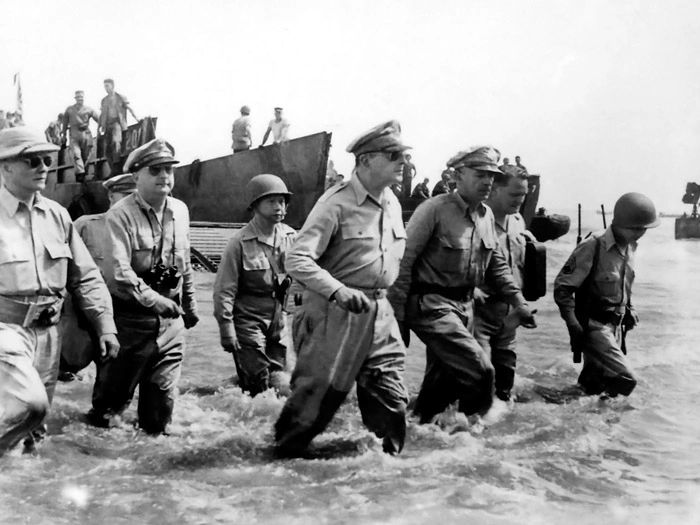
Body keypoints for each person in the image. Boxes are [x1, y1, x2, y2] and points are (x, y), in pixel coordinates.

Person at [274, 120, 410, 456]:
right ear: (365, 160)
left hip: (379, 313)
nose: (402, 163)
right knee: (314, 405)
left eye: (404, 156)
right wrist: (337, 290)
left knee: (391, 396)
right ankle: (275, 468)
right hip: (335, 313)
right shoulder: (335, 204)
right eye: (393, 155)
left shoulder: (392, 202)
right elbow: (297, 260)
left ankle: (388, 473)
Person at [388, 146, 536, 425]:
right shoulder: (433, 210)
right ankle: (471, 437)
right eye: (480, 174)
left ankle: (413, 437)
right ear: (458, 175)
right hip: (431, 305)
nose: (488, 181)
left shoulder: (486, 216)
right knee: (482, 371)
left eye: (491, 175)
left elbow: (496, 265)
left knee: (440, 388)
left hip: (464, 308)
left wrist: (519, 303)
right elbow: (403, 261)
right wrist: (398, 317)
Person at [0, 127, 119, 456]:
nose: (43, 167)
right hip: (6, 330)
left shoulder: (57, 215)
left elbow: (86, 277)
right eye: (31, 160)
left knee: (34, 430)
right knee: (30, 404)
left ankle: (21, 494)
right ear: (5, 166)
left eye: (46, 159)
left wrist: (104, 324)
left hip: (49, 333)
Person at [88, 138, 199, 434]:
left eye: (168, 170)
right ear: (136, 177)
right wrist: (154, 300)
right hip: (130, 322)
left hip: (170, 323)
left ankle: (154, 462)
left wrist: (189, 304)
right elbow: (120, 274)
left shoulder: (181, 211)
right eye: (155, 170)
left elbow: (184, 261)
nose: (164, 177)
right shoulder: (120, 215)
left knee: (160, 411)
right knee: (109, 412)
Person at [553, 192, 659, 397]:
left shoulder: (630, 247)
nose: (640, 234)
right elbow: (563, 288)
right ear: (621, 224)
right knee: (625, 379)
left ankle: (583, 423)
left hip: (615, 326)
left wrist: (629, 308)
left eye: (644, 229)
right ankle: (604, 420)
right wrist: (573, 324)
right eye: (636, 229)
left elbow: (624, 284)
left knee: (593, 386)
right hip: (593, 326)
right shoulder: (593, 245)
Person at [213, 174, 296, 396]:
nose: (278, 207)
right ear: (255, 205)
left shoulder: (291, 237)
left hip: (279, 319)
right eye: (271, 201)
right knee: (257, 383)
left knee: (280, 379)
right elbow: (224, 290)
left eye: (282, 201)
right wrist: (226, 328)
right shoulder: (239, 242)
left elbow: (304, 280)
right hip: (248, 321)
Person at [59, 174, 137, 381]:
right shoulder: (86, 225)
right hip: (83, 314)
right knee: (67, 367)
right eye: (127, 195)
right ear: (111, 196)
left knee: (113, 378)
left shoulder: (142, 231)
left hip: (123, 316)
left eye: (136, 196)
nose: (132, 202)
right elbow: (62, 268)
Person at [473, 165, 532, 406]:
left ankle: (500, 435)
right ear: (495, 190)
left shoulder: (517, 221)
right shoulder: (476, 222)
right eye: (514, 195)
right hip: (479, 314)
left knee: (505, 382)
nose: (520, 201)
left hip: (509, 316)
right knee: (479, 380)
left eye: (524, 195)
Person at [99, 78, 139, 170]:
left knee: (116, 142)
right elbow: (102, 114)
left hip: (117, 123)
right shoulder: (104, 100)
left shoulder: (120, 97)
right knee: (107, 150)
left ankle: (117, 166)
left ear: (112, 86)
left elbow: (129, 108)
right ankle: (112, 169)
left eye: (107, 86)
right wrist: (99, 127)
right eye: (105, 86)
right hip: (107, 125)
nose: (106, 88)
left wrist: (137, 118)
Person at [62, 90, 100, 182]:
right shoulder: (69, 109)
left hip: (86, 134)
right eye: (78, 97)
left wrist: (100, 129)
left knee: (86, 156)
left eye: (81, 97)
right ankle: (80, 174)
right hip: (74, 134)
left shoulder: (89, 109)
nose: (80, 99)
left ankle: (83, 175)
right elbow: (65, 123)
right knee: (76, 154)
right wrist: (64, 136)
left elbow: (99, 120)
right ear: (75, 99)